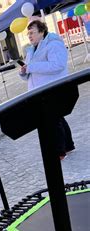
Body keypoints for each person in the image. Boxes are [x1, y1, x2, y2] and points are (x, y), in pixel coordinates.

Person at [19, 20, 75, 160]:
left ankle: (60, 152)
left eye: (32, 33)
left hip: (53, 89)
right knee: (57, 118)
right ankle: (68, 146)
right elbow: (31, 72)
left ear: (42, 32)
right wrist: (23, 72)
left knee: (53, 120)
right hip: (40, 92)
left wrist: (31, 67)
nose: (29, 36)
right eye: (28, 34)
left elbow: (57, 65)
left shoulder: (54, 45)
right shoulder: (32, 50)